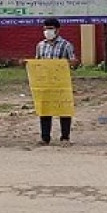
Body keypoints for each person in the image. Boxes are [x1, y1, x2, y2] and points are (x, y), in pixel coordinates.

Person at [34, 18, 79, 146]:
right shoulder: (40, 46)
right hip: (45, 82)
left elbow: (73, 63)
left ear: (57, 30)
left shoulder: (66, 45)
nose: (47, 31)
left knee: (64, 108)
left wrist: (74, 63)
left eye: (50, 28)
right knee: (45, 108)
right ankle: (45, 137)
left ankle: (65, 136)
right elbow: (37, 63)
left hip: (61, 83)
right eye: (45, 29)